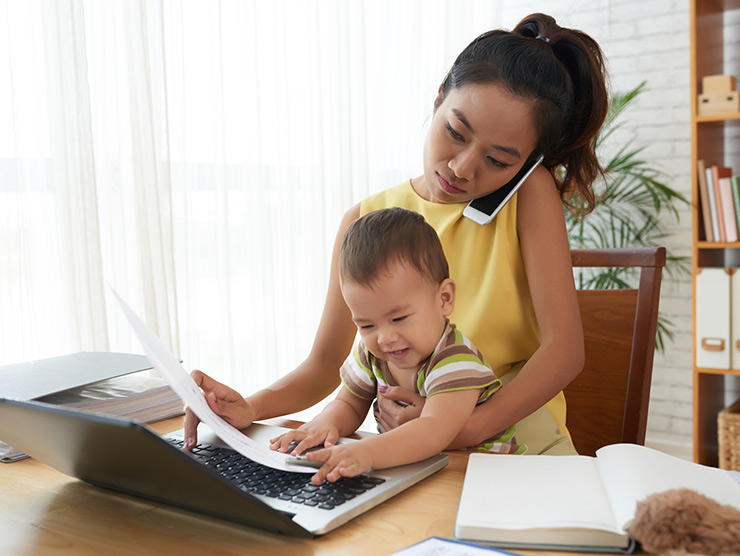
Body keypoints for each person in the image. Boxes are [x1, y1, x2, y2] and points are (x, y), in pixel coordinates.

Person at [184, 13, 608, 456]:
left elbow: (565, 350)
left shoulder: (530, 196)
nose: (463, 168)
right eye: (455, 133)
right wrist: (248, 407)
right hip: (412, 455)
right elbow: (325, 366)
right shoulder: (364, 219)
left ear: (525, 163)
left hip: (517, 453)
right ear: (438, 99)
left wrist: (466, 427)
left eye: (499, 161)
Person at [270, 207, 524, 483]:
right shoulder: (372, 354)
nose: (384, 338)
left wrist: (366, 451)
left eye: (399, 318)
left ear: (445, 298)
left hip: (484, 475)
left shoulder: (455, 360)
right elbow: (350, 404)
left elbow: (433, 430)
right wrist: (325, 424)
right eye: (366, 325)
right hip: (420, 467)